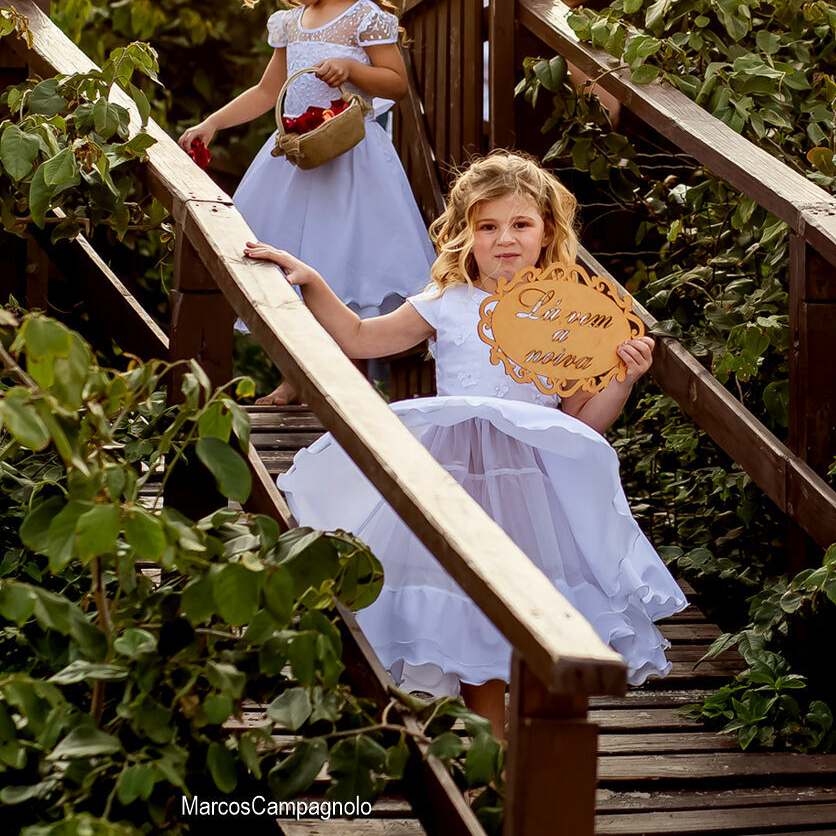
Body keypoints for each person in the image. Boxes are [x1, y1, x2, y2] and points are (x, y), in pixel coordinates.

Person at [244, 151, 685, 736]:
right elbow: (359, 335)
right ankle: (480, 745)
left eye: (521, 224)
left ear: (548, 231)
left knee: (522, 606)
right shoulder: (447, 302)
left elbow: (582, 421)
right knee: (456, 602)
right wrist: (313, 280)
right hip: (447, 473)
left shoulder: (572, 318)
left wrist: (624, 378)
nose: (506, 239)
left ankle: (504, 750)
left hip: (530, 485)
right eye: (488, 226)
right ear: (465, 234)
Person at [179, 0, 436, 406]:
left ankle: (343, 382)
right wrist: (212, 123)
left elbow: (396, 83)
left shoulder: (364, 17)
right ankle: (301, 375)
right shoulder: (291, 23)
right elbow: (266, 91)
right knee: (292, 261)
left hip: (352, 164)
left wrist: (353, 70)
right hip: (297, 163)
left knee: (345, 264)